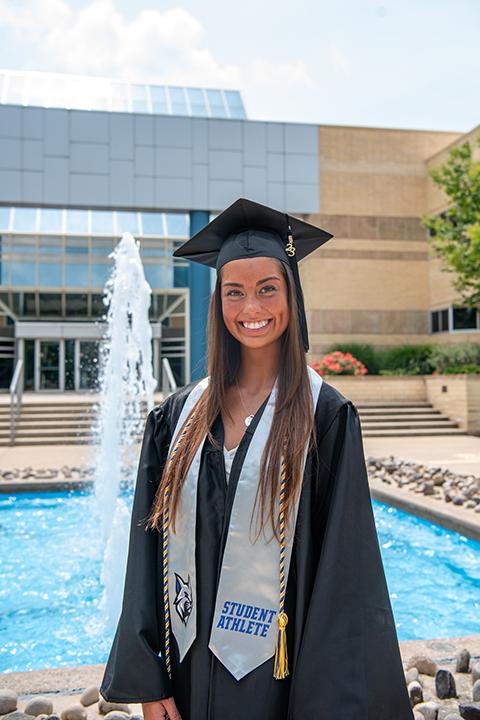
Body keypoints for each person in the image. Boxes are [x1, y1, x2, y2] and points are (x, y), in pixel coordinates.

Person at [99, 198, 413, 720]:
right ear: (218, 303)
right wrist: (149, 681)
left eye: (268, 288)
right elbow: (145, 552)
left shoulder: (325, 417)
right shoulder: (177, 419)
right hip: (187, 673)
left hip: (282, 686)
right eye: (234, 292)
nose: (252, 308)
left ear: (292, 295)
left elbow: (346, 580)